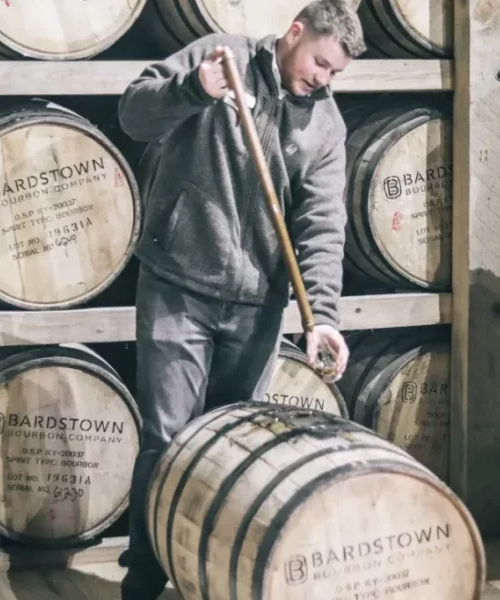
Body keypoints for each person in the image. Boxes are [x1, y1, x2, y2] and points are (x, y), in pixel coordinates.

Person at [115, 1, 366, 597]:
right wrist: (191, 90)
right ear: (295, 33)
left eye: (335, 74)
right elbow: (133, 114)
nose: (324, 80)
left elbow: (323, 225)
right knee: (167, 438)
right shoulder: (220, 54)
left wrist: (322, 317)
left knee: (233, 447)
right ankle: (144, 581)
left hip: (257, 306)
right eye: (320, 64)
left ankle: (210, 572)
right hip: (178, 284)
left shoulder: (326, 124)